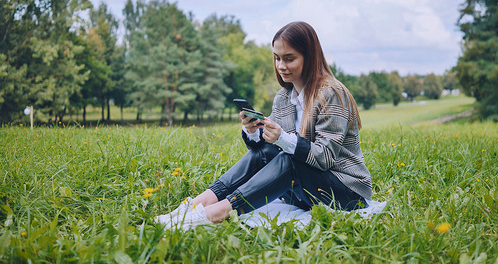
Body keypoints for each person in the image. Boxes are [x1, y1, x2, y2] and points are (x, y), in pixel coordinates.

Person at [155, 21, 372, 230]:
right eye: (277, 58)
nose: (280, 66)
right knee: (266, 152)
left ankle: (217, 213)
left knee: (289, 158)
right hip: (303, 192)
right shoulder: (284, 97)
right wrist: (254, 132)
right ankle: (193, 206)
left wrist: (282, 138)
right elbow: (265, 152)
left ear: (310, 57)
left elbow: (324, 158)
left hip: (345, 193)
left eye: (289, 58)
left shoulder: (331, 93)